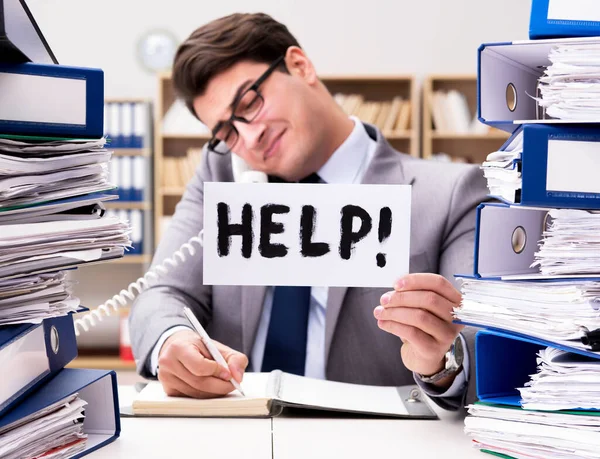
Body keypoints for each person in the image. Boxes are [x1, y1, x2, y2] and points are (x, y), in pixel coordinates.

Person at [129, 12, 489, 410]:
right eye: (227, 132)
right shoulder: (222, 176)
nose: (249, 137)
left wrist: (439, 364)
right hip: (235, 432)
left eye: (250, 102)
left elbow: (481, 353)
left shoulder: (451, 193)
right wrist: (173, 339)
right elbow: (160, 295)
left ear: (300, 66)